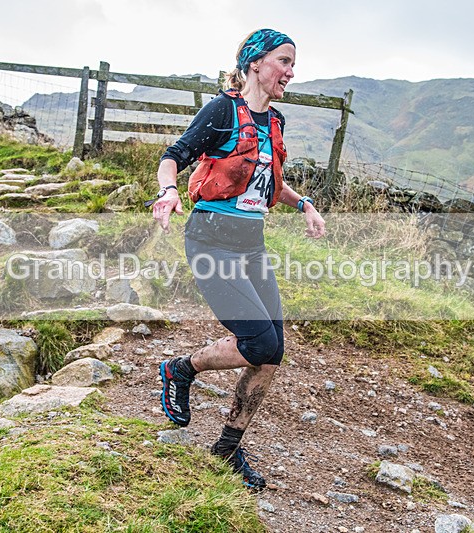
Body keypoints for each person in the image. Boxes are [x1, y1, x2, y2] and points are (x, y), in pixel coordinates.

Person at [151, 28, 326, 490]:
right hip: (210, 240)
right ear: (254, 63)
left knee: (273, 352)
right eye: (284, 61)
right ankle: (181, 369)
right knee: (259, 342)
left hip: (251, 242)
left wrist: (302, 203)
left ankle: (227, 447)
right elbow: (174, 156)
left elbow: (269, 181)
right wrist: (169, 191)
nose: (291, 71)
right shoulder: (223, 111)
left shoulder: (276, 122)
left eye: (293, 64)